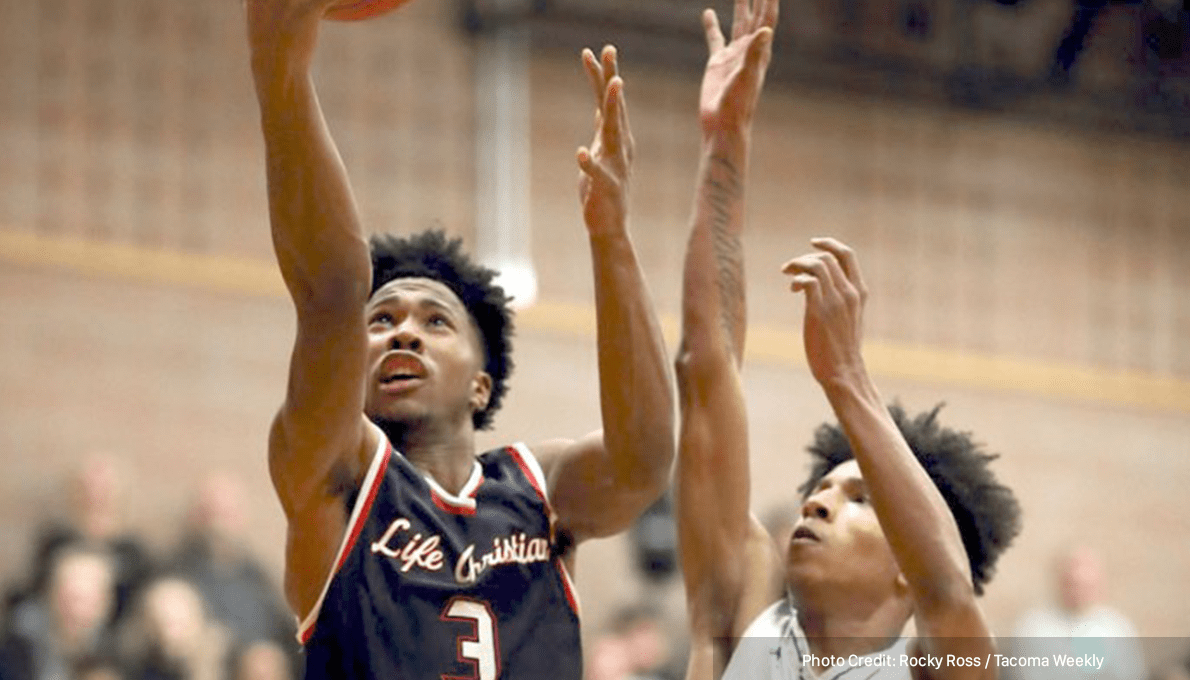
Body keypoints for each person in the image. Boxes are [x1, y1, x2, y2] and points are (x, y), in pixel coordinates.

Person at [242, 1, 675, 678]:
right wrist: (281, 72)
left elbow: (644, 459)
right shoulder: (338, 478)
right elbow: (332, 293)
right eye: (381, 321)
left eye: (435, 321)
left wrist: (611, 236)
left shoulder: (539, 491)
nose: (403, 334)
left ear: (481, 383)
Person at [671, 2, 1023, 678]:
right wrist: (726, 141)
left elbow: (947, 590)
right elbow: (704, 366)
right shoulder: (740, 612)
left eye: (859, 499)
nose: (817, 501)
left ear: (906, 568)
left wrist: (847, 378)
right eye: (827, 489)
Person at [1007, 546, 1145, 680]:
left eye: (1086, 584)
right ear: (1060, 582)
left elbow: (1130, 673)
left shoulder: (1117, 628)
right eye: (1072, 583)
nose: (1078, 592)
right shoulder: (1032, 628)